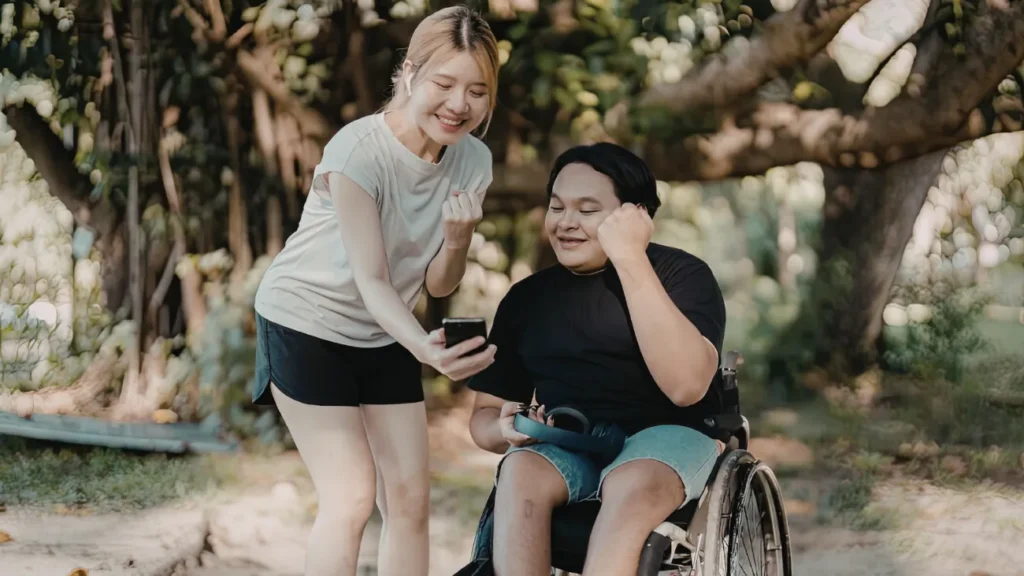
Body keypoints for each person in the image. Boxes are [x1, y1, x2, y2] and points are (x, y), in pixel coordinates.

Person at [250, 6, 500, 576]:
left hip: (385, 327)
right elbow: (371, 277)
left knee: (410, 496)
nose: (459, 105)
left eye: (477, 91)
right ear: (410, 72)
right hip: (305, 321)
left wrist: (458, 239)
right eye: (444, 84)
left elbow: (437, 281)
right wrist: (424, 348)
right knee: (352, 496)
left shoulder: (473, 161)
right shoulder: (358, 151)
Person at [465, 142, 727, 576]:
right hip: (569, 444)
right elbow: (483, 418)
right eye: (556, 207)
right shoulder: (528, 299)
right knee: (519, 472)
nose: (566, 223)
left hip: (668, 439)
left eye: (587, 210)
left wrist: (629, 257)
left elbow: (686, 387)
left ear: (634, 216)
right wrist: (503, 428)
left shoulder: (683, 276)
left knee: (628, 482)